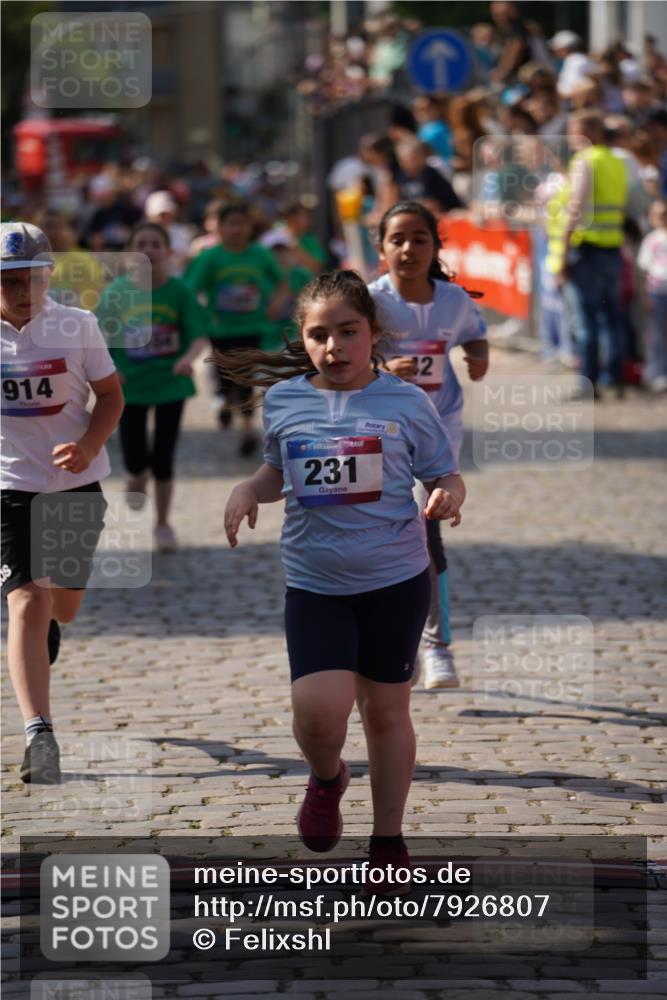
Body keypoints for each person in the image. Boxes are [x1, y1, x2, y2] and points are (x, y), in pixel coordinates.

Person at [222, 270, 464, 873]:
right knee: (318, 710)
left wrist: (449, 494)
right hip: (317, 585)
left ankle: (388, 842)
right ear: (302, 341)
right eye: (319, 335)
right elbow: (277, 473)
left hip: (396, 580)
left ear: (373, 333)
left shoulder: (407, 401)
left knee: (386, 713)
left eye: (348, 332)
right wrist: (248, 490)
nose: (335, 347)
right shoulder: (284, 400)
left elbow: (443, 472)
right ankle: (327, 778)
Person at [1, 222, 124, 783]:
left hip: (77, 482)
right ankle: (39, 735)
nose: (22, 290)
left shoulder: (77, 326)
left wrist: (89, 444)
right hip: (11, 487)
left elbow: (111, 395)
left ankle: (51, 628)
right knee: (26, 598)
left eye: (31, 277)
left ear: (49, 274)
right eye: (8, 281)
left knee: (62, 607)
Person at [369, 202, 488, 690]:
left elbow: (475, 335)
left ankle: (438, 648)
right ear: (381, 249)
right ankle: (401, 643)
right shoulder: (370, 301)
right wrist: (380, 372)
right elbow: (343, 355)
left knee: (427, 528)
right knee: (390, 535)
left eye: (420, 238)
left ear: (436, 246)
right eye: (397, 239)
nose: (408, 248)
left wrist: (478, 358)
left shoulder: (454, 301)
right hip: (384, 432)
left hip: (440, 428)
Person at [96, 223, 208, 551]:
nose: (148, 249)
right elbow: (96, 339)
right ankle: (135, 477)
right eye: (141, 243)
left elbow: (199, 335)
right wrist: (111, 369)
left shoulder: (180, 291)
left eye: (155, 244)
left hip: (170, 383)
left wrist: (188, 358)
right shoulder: (116, 293)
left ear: (168, 252)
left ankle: (162, 523)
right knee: (134, 458)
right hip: (129, 386)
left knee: (163, 456)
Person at [186, 202, 289, 453]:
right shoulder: (211, 257)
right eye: (231, 224)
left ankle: (246, 428)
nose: (236, 230)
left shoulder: (259, 254)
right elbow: (190, 289)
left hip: (251, 325)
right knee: (224, 377)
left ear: (249, 227)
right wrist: (201, 317)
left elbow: (282, 282)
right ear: (219, 228)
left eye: (241, 224)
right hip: (220, 329)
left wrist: (275, 303)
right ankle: (224, 404)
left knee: (245, 376)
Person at [557, 111, 630, 398]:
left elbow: (576, 205)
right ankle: (615, 378)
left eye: (572, 131)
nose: (568, 137)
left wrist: (563, 249)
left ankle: (588, 382)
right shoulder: (615, 160)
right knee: (611, 316)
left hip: (586, 248)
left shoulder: (585, 160)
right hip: (612, 246)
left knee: (585, 319)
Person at [637, 199, 667, 392]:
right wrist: (646, 296)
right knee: (656, 335)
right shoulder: (652, 240)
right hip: (657, 293)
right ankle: (656, 373)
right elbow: (644, 270)